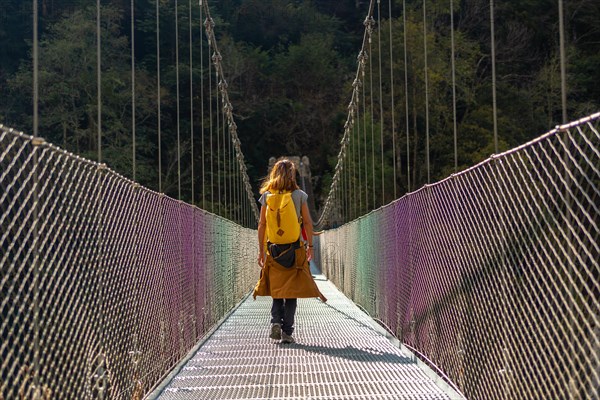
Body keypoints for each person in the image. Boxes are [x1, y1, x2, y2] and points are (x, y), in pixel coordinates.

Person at [253, 159, 326, 344]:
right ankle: (287, 332)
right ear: (293, 175)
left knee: (277, 290)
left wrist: (261, 251)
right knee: (291, 292)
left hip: (274, 249)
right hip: (294, 250)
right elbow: (308, 223)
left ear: (273, 173)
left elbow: (262, 224)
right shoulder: (299, 195)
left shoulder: (267, 196)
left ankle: (276, 321)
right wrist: (310, 246)